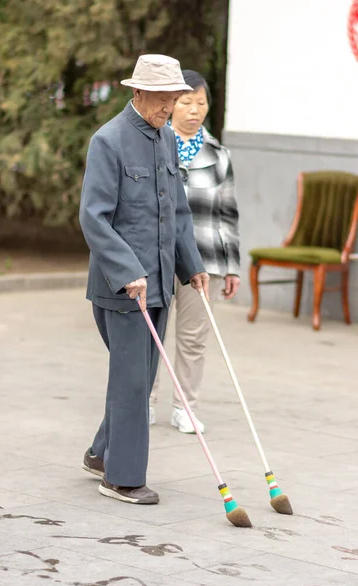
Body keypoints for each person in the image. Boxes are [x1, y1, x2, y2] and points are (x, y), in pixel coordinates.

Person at [79, 55, 210, 505]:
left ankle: (102, 453)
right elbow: (93, 218)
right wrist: (125, 269)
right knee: (134, 380)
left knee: (139, 373)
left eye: (174, 99)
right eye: (162, 99)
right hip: (122, 287)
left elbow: (177, 213)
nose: (169, 107)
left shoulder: (166, 140)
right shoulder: (108, 141)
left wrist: (191, 265)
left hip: (158, 284)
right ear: (137, 93)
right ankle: (122, 477)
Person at [150, 70, 240, 434]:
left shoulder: (219, 155)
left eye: (201, 103)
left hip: (204, 260)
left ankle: (184, 407)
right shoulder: (154, 144)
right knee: (151, 333)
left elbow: (228, 213)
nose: (194, 110)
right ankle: (145, 403)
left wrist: (231, 265)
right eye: (186, 102)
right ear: (171, 105)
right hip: (156, 256)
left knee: (193, 336)